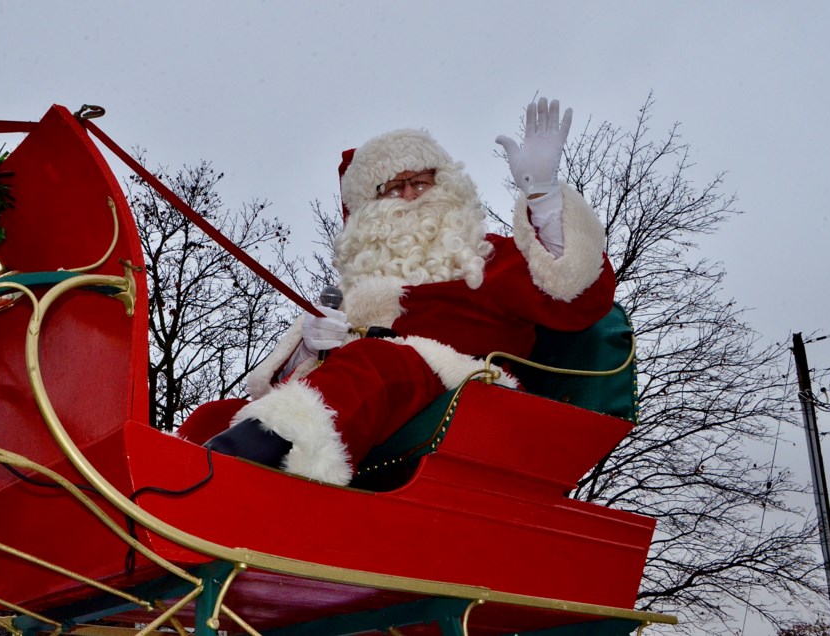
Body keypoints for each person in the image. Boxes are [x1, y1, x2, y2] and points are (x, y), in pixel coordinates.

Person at [200, 98, 616, 486]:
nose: (411, 196)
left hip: (472, 392)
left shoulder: (486, 254)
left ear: (444, 184)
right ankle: (185, 471)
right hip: (365, 399)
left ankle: (230, 477)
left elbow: (574, 295)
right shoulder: (356, 289)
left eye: (420, 180)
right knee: (215, 415)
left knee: (380, 362)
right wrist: (309, 351)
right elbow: (298, 384)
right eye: (393, 188)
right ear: (370, 208)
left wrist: (541, 195)